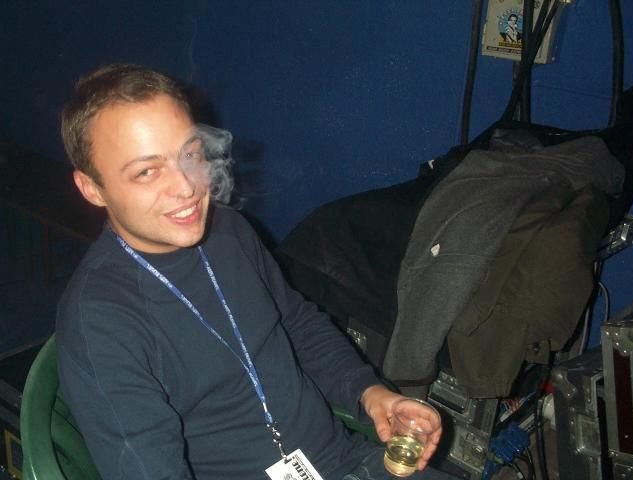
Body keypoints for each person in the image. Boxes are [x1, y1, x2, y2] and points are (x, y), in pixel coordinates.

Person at [56, 63, 456, 480]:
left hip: (345, 459)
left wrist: (371, 395)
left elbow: (296, 324)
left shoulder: (228, 230)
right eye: (146, 172)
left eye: (190, 154)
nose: (187, 187)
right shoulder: (100, 321)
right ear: (92, 189)